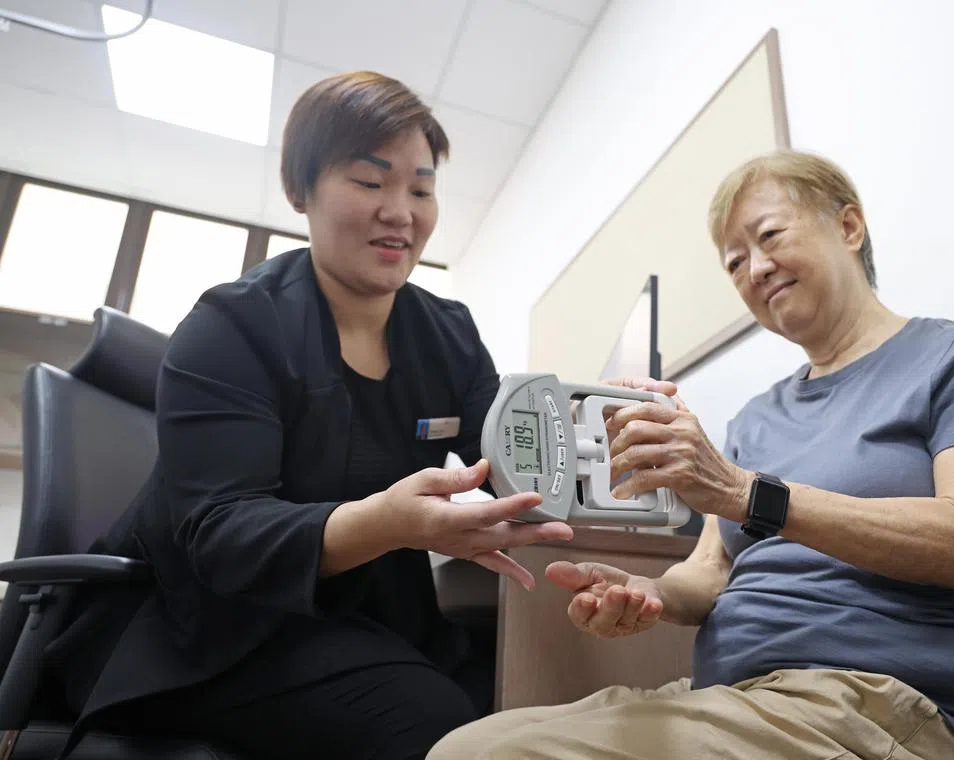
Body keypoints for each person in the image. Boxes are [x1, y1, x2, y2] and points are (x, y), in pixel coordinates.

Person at [427, 150, 954, 760]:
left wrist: (746, 492)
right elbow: (712, 573)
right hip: (741, 701)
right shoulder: (755, 417)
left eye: (770, 236)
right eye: (735, 263)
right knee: (460, 746)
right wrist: (648, 591)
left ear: (848, 225)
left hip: (887, 706)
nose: (755, 269)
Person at [43, 71, 574, 760]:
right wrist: (388, 522)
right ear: (302, 190)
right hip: (211, 629)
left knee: (521, 693)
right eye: (368, 180)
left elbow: (505, 445)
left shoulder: (447, 332)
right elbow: (223, 533)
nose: (400, 211)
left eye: (420, 188)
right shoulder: (232, 325)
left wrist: (595, 423)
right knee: (444, 728)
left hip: (359, 614)